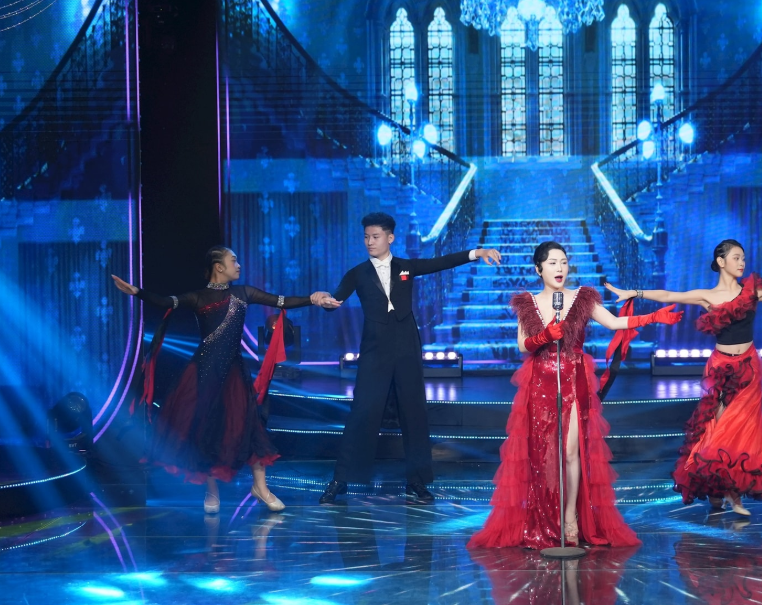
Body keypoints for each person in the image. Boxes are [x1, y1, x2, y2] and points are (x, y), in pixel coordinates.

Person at [606, 239, 762, 516]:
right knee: (717, 429)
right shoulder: (707, 296)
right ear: (721, 262)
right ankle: (716, 487)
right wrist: (634, 292)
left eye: (744, 258)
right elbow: (668, 295)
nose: (742, 263)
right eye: (736, 258)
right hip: (720, 368)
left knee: (741, 430)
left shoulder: (753, 291)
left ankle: (734, 495)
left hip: (749, 367)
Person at [468, 241, 681, 549]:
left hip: (573, 381)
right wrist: (544, 336)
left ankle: (570, 518)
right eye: (552, 263)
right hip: (540, 384)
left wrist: (652, 318)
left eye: (564, 262)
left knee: (570, 453)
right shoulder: (527, 303)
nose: (560, 268)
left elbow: (613, 322)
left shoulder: (582, 298)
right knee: (543, 456)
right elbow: (522, 344)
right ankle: (544, 518)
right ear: (538, 269)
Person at [111, 246, 339, 512]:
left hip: (234, 374)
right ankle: (212, 490)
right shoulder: (198, 297)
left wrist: (313, 298)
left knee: (251, 425)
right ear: (219, 267)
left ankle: (261, 487)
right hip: (203, 372)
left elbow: (282, 301)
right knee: (207, 428)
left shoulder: (243, 293)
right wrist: (137, 292)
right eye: (234, 260)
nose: (238, 265)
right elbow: (164, 302)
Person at [318, 212, 502, 505]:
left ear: (390, 238)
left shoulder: (406, 267)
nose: (369, 242)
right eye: (366, 237)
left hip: (406, 348)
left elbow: (441, 262)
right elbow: (337, 298)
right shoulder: (357, 273)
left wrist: (477, 253)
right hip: (374, 350)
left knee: (414, 413)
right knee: (362, 413)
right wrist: (326, 302)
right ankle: (340, 479)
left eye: (375, 236)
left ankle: (416, 481)